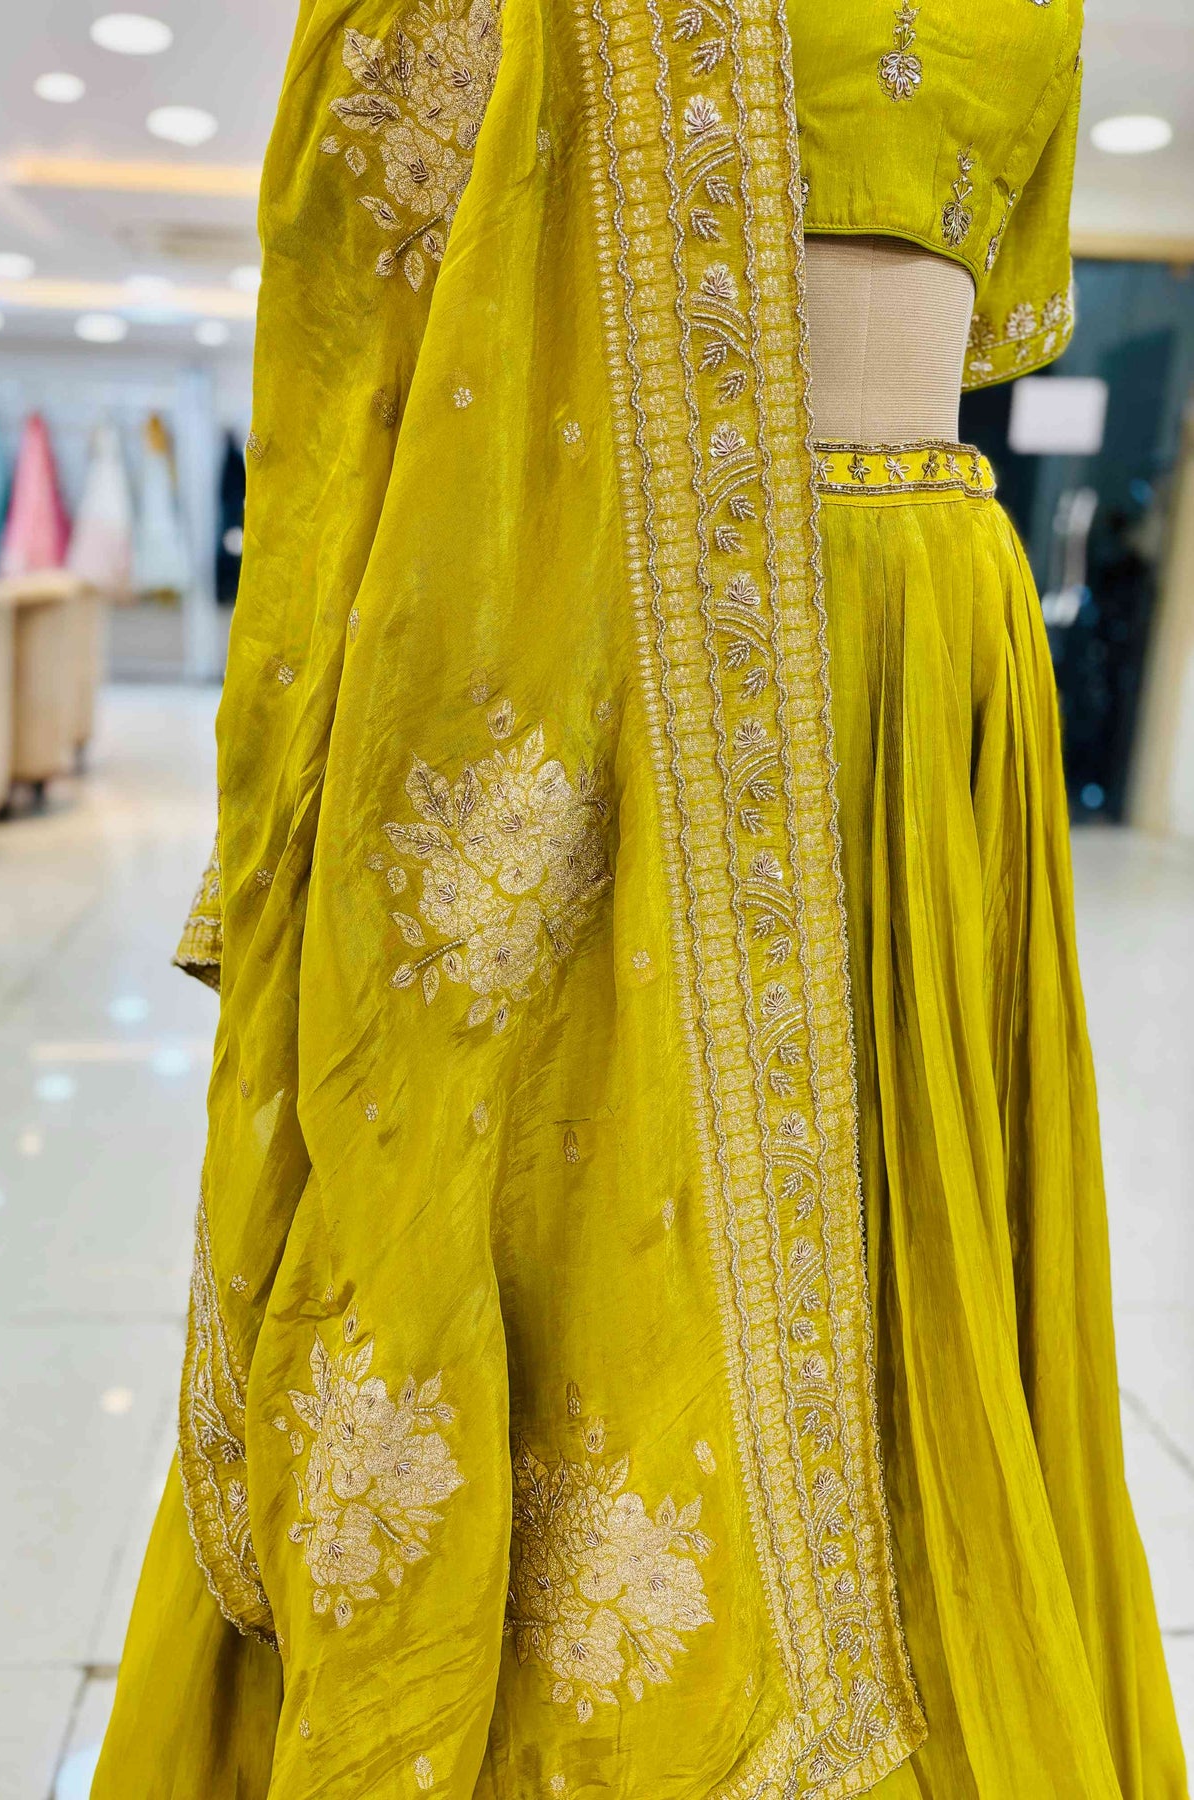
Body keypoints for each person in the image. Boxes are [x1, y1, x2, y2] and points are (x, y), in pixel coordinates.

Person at [93, 0, 1189, 1794]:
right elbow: (359, 325)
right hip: (611, 651)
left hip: (925, 656)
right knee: (579, 1245)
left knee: (912, 1265)